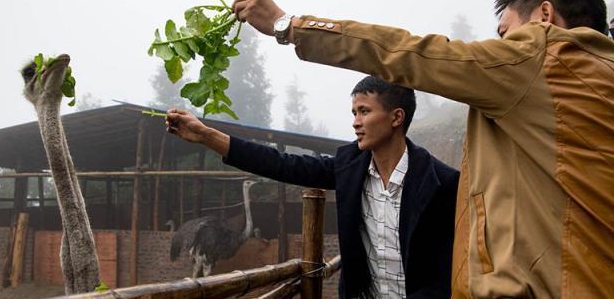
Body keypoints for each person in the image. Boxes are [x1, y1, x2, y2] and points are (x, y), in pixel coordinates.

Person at [231, 0, 614, 298]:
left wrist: (289, 25)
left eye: (506, 32)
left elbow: (412, 54)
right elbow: (292, 166)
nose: (499, 47)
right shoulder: (596, 81)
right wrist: (218, 140)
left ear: (544, 16)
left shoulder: (541, 57)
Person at [166, 76, 459, 299]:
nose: (356, 122)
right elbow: (281, 163)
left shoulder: (442, 184)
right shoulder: (349, 167)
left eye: (364, 112)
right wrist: (207, 136)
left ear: (396, 117)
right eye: (354, 112)